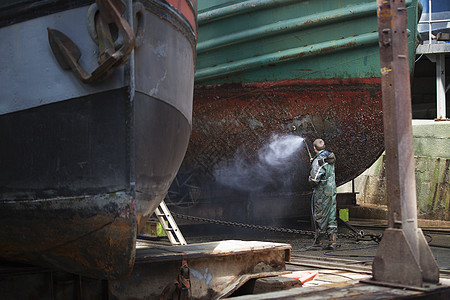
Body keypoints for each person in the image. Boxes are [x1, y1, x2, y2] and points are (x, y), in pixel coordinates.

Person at [308, 139, 337, 250]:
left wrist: (310, 174)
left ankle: (318, 242)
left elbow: (314, 179)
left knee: (320, 215)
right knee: (331, 214)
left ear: (315, 148)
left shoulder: (318, 160)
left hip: (322, 191)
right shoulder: (330, 157)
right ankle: (332, 242)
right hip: (332, 189)